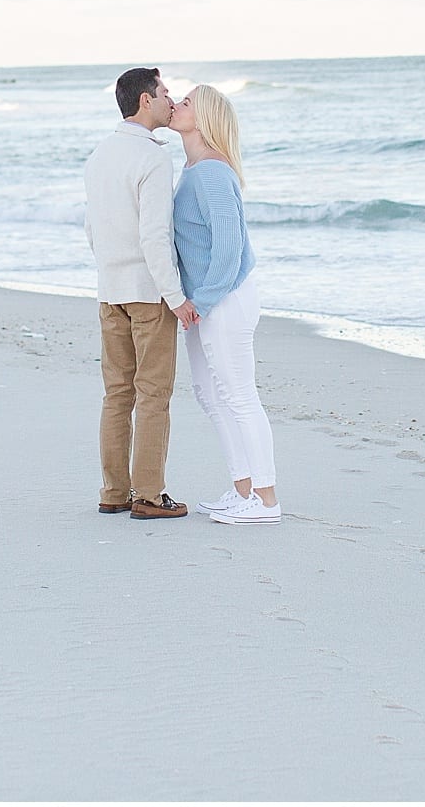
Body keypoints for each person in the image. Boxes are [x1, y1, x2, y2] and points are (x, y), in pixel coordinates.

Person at [83, 67, 199, 520]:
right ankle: (149, 495)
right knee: (153, 394)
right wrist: (176, 297)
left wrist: (110, 271)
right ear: (145, 101)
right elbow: (155, 237)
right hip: (148, 295)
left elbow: (92, 228)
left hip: (109, 290)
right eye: (165, 93)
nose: (171, 100)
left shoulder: (100, 154)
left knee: (117, 395)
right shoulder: (151, 158)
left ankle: (114, 491)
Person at [171, 84, 280, 524]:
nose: (177, 103)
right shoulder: (192, 168)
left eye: (188, 101)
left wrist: (202, 301)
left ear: (206, 116)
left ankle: (267, 501)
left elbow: (230, 248)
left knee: (238, 396)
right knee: (209, 393)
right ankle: (243, 490)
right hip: (206, 300)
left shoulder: (212, 172)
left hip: (225, 297)